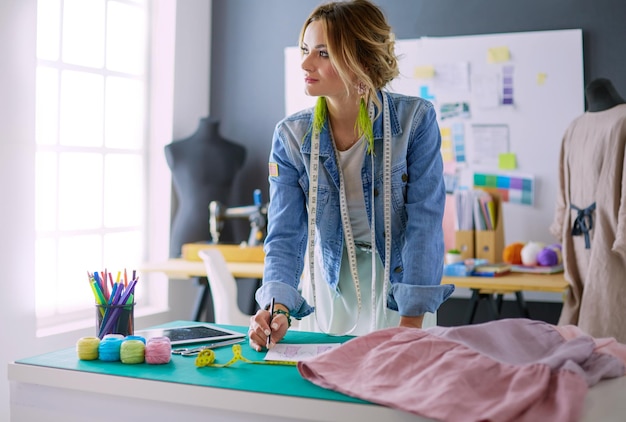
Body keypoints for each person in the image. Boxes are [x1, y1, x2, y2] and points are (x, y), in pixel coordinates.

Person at [248, 0, 454, 351]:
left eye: (323, 53)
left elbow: (424, 224)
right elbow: (285, 233)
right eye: (305, 49)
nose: (305, 63)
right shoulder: (291, 137)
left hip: (400, 286)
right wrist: (276, 307)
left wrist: (410, 322)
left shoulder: (414, 122)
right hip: (328, 286)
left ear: (360, 60)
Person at [550, 77, 626, 343]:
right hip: (605, 235)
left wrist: (561, 225)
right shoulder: (581, 126)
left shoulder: (577, 126)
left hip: (587, 234)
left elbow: (562, 189)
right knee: (609, 310)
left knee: (603, 308)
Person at [164, 117, 246, 258]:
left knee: (221, 279)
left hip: (225, 232)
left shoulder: (237, 151)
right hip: (188, 231)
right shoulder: (174, 150)